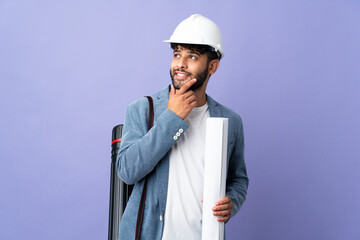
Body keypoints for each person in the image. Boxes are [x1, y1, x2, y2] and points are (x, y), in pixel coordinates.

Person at [116, 14, 248, 240]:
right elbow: (127, 171)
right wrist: (172, 118)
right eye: (177, 54)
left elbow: (238, 179)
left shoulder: (230, 121)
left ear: (213, 66)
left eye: (192, 56)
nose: (180, 64)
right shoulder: (142, 109)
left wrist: (232, 201)